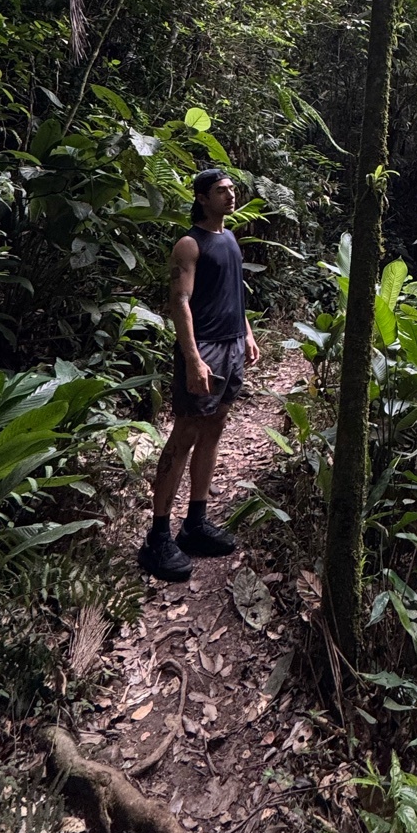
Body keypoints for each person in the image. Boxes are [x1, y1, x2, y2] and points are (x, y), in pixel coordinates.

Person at [138, 168, 261, 581]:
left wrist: (246, 332)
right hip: (204, 347)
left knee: (214, 428)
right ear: (202, 198)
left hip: (231, 345)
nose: (230, 195)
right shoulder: (189, 244)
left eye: (231, 189)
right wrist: (193, 358)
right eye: (221, 191)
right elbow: (180, 301)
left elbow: (234, 290)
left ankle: (195, 521)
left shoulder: (230, 239)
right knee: (186, 433)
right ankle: (157, 536)